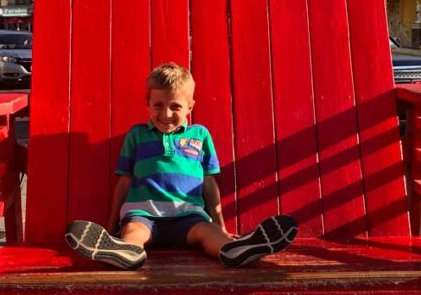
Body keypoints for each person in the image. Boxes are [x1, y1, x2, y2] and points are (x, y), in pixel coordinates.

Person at [65, 62, 298, 270]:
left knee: (210, 234)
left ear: (190, 107)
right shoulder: (137, 135)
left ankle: (234, 250)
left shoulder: (200, 135)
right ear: (147, 103)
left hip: (188, 214)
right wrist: (110, 225)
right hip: (145, 212)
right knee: (133, 233)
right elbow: (124, 181)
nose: (166, 113)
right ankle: (124, 251)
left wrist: (221, 226)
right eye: (158, 105)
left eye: (175, 106)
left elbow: (209, 182)